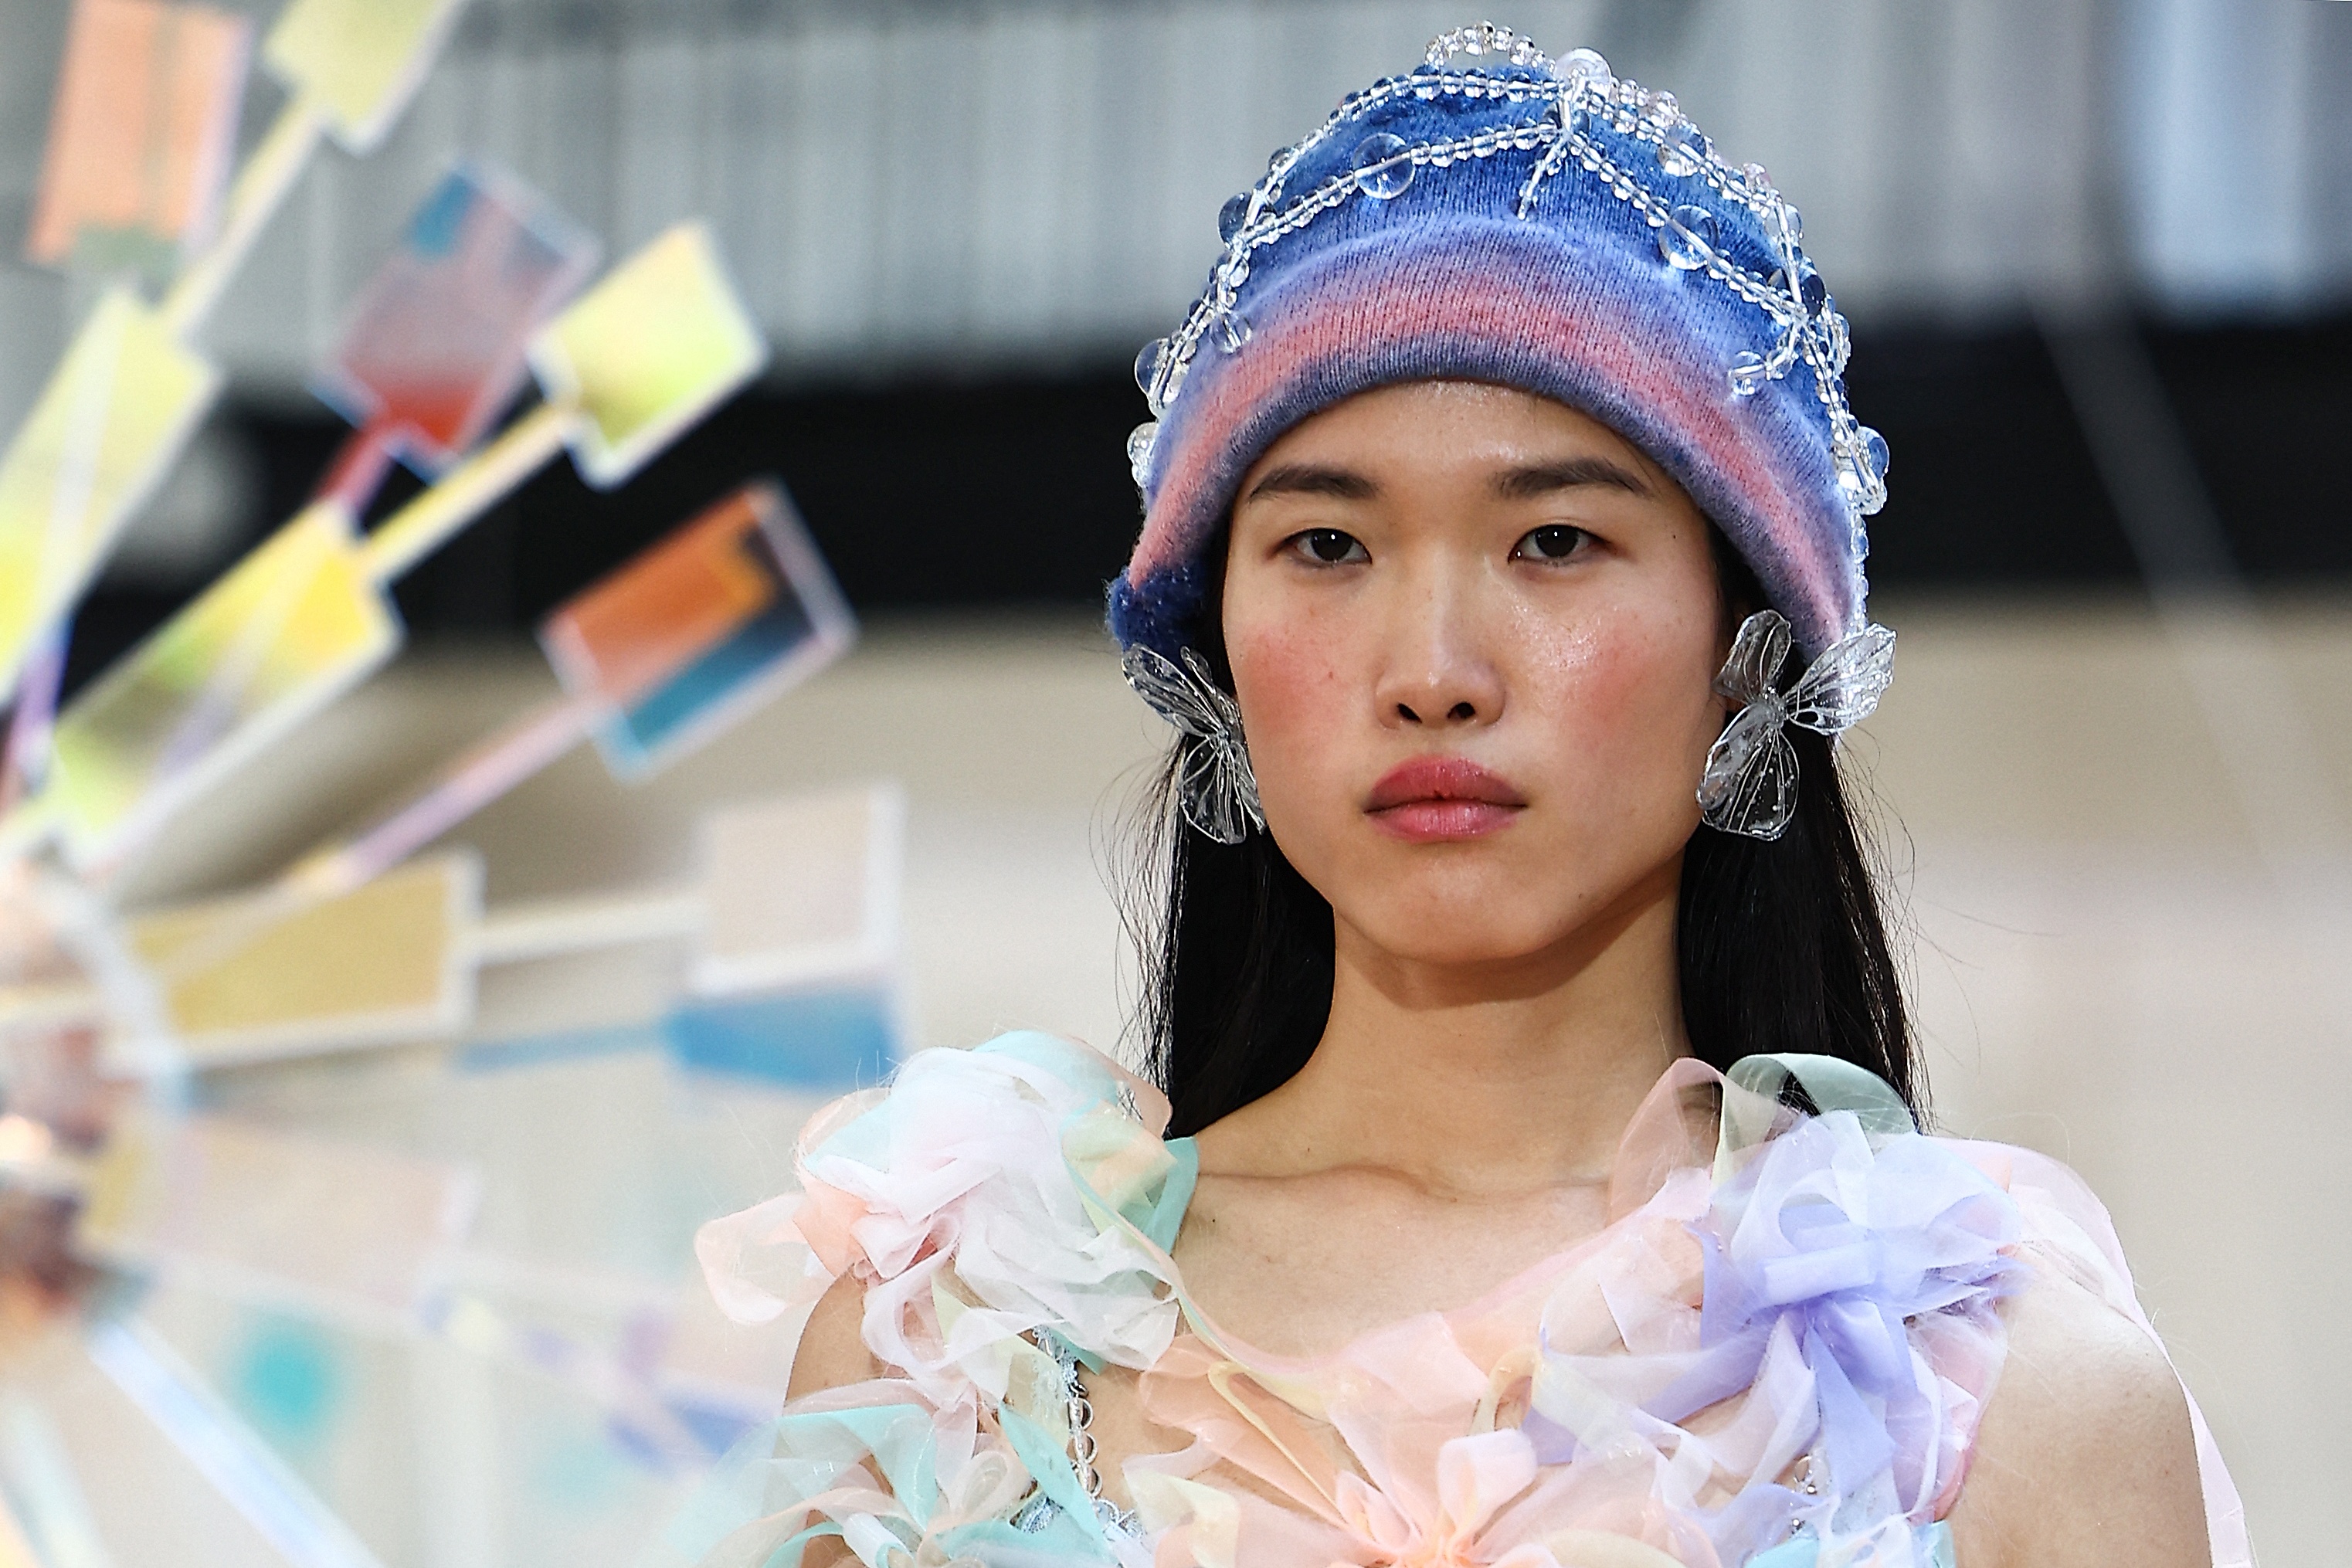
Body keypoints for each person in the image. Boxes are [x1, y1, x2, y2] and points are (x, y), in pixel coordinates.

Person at [658, 26, 2248, 1568]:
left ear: (1750, 645)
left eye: (1553, 540)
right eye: (1325, 547)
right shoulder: (950, 1350)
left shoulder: (1998, 1398)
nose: (1431, 669)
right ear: (1212, 651)